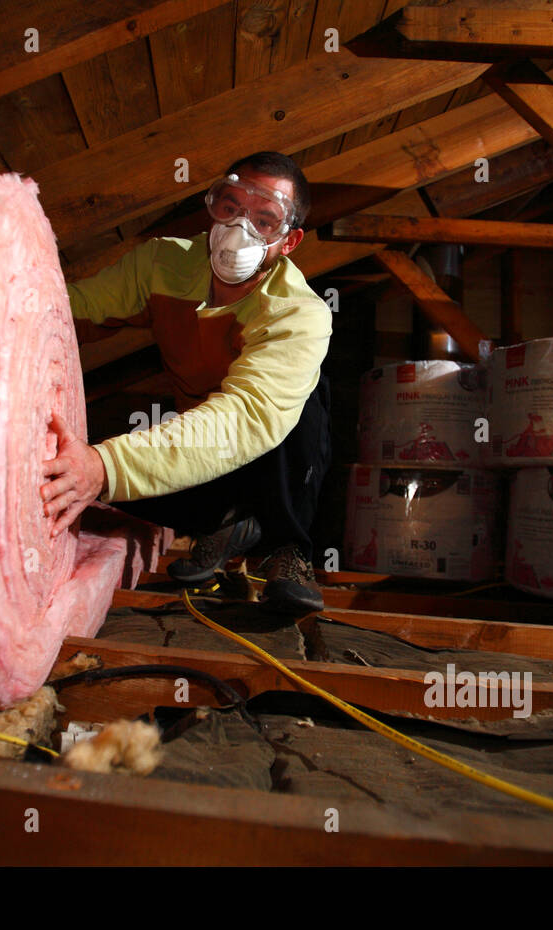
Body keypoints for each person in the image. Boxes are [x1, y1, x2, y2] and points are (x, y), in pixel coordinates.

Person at [40, 151, 332, 615]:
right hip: (198, 449)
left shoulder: (298, 314)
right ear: (212, 207)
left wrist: (105, 465)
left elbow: (246, 420)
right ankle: (223, 524)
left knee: (304, 395)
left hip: (259, 451)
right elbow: (68, 308)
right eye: (231, 207)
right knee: (129, 488)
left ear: (289, 241)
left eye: (264, 220)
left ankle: (286, 548)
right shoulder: (160, 264)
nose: (240, 228)